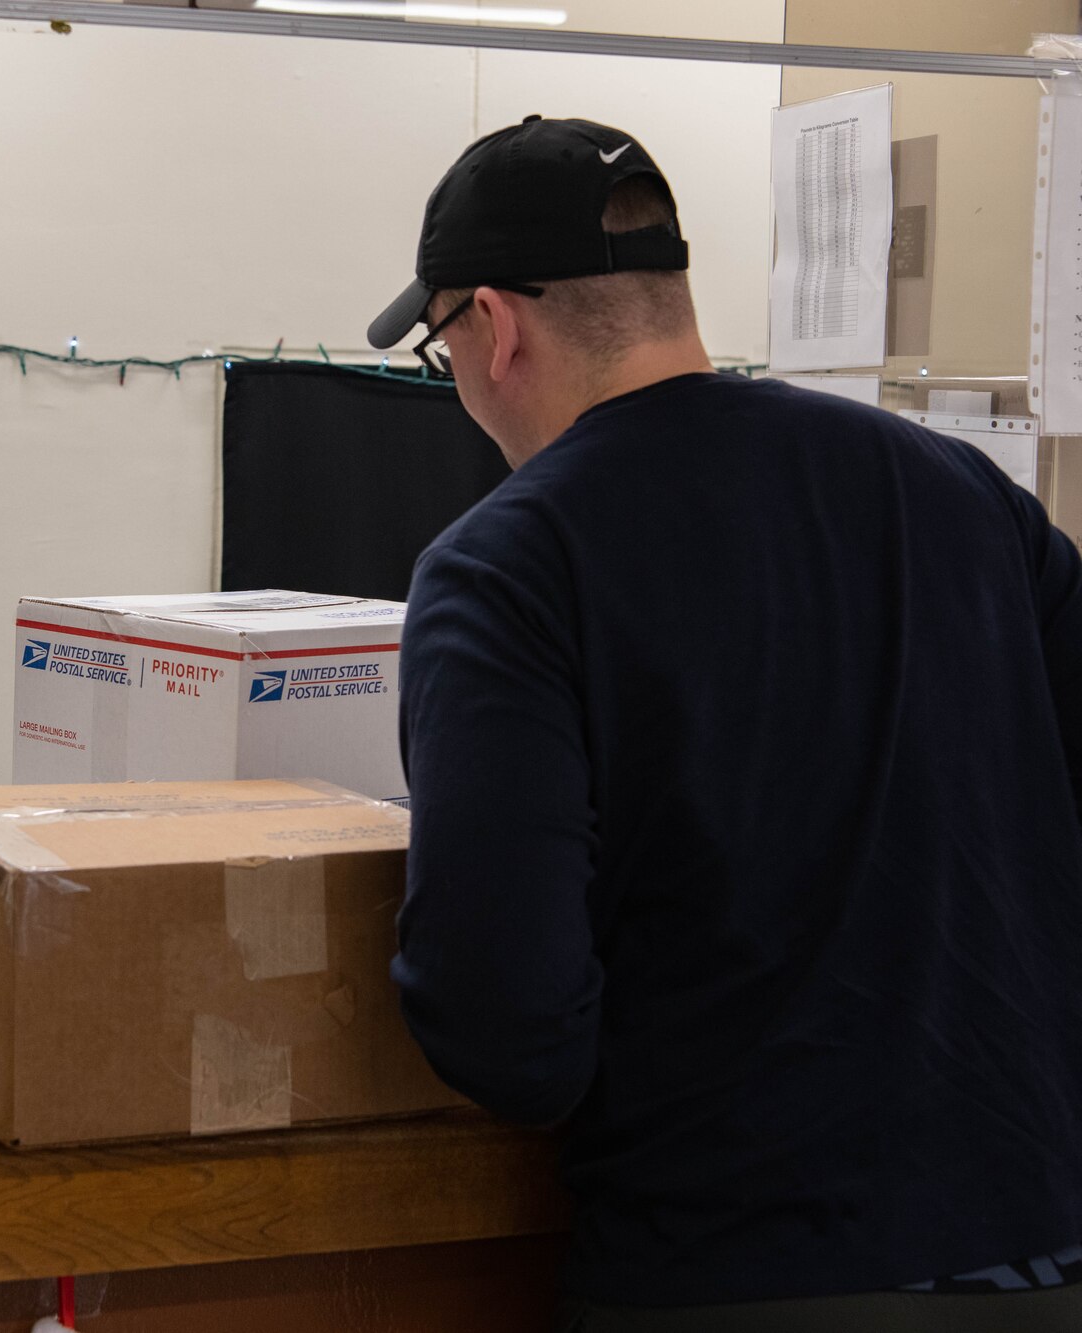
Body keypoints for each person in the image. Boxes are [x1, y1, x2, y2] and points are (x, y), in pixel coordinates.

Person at [370, 117, 1082, 1329]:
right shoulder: (962, 490)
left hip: (731, 1262)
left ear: (492, 326)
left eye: (441, 351)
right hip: (1039, 1248)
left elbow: (507, 1024)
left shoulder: (508, 565)